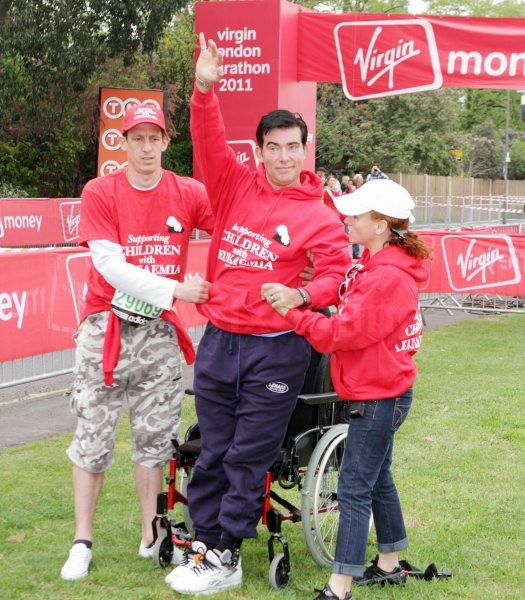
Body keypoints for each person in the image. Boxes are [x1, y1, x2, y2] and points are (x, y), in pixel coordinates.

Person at [164, 32, 349, 596]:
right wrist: (204, 87)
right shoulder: (234, 184)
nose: (285, 156)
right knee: (213, 447)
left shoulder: (319, 214)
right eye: (275, 147)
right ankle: (207, 542)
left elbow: (336, 274)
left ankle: (228, 554)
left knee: (249, 454)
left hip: (276, 346)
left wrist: (301, 297)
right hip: (221, 338)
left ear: (304, 148)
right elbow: (207, 138)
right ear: (261, 149)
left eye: (294, 146)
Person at [60, 103, 215, 581]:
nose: (147, 148)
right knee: (92, 440)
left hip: (159, 334)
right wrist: (174, 289)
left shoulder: (188, 192)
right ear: (123, 143)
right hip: (104, 329)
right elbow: (109, 265)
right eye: (137, 139)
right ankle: (82, 541)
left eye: (155, 138)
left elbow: (233, 230)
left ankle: (152, 533)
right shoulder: (100, 191)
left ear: (167, 142)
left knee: (155, 440)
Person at [264, 179, 432, 600]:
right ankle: (389, 563)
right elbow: (348, 294)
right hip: (382, 390)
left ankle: (340, 586)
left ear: (380, 225)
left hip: (378, 396)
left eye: (357, 214)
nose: (347, 219)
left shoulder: (386, 277)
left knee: (355, 486)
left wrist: (292, 311)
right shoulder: (375, 264)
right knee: (377, 478)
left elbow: (338, 334)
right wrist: (309, 289)